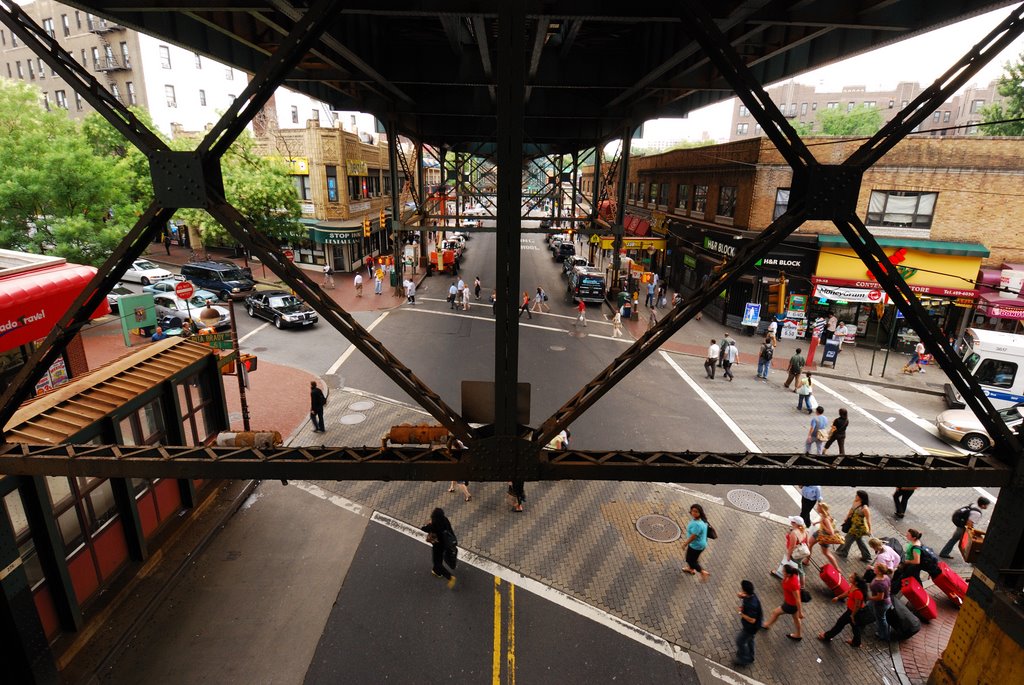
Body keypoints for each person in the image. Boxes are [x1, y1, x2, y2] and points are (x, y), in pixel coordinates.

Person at [818, 571, 867, 648]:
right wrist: (838, 597)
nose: (850, 576)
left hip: (853, 612)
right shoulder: (853, 587)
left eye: (852, 577)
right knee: (855, 627)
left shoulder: (858, 593)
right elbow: (847, 593)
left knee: (840, 624)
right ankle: (857, 642)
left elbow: (857, 606)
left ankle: (827, 636)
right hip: (851, 611)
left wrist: (852, 615)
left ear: (856, 582)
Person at [762, 563, 804, 641]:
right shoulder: (791, 576)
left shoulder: (792, 583)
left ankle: (766, 625)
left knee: (775, 612)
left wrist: (800, 612)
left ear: (788, 574)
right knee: (796, 619)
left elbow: (798, 599)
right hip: (790, 603)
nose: (782, 571)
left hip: (790, 605)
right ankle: (798, 635)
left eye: (783, 571)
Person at [420, 507, 457, 589]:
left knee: (437, 562)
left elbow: (423, 528)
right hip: (445, 544)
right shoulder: (445, 520)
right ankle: (436, 571)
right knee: (438, 559)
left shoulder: (434, 526)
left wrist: (428, 523)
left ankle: (450, 577)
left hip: (437, 546)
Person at [836, 491, 873, 563]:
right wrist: (846, 518)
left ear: (861, 497)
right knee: (859, 541)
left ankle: (842, 552)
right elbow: (851, 510)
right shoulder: (855, 502)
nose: (856, 496)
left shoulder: (865, 508)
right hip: (853, 524)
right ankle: (866, 556)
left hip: (859, 528)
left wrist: (870, 530)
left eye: (857, 495)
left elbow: (868, 520)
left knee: (848, 539)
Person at [735, 579, 763, 667]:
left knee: (739, 641)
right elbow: (747, 597)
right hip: (753, 626)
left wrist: (741, 614)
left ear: (745, 590)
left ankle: (745, 658)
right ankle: (750, 656)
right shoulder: (751, 595)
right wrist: (742, 596)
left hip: (751, 627)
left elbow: (752, 620)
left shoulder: (752, 604)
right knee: (750, 640)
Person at [808, 501, 841, 569]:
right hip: (819, 533)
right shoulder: (824, 515)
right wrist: (816, 523)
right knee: (809, 544)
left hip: (824, 536)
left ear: (821, 509)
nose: (817, 508)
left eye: (818, 507)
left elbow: (831, 532)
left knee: (826, 553)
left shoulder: (826, 519)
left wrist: (823, 526)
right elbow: (821, 520)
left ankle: (837, 568)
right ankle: (807, 560)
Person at [681, 503, 711, 579]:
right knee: (694, 559)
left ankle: (702, 572)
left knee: (689, 560)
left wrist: (685, 544)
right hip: (702, 544)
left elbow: (693, 536)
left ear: (700, 512)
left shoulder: (697, 525)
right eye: (692, 511)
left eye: (696, 511)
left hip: (695, 545)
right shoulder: (703, 520)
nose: (693, 513)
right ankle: (691, 569)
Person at [868, 563, 893, 641]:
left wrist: (869, 597)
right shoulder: (886, 577)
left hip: (881, 604)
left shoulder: (879, 584)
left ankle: (884, 635)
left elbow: (880, 597)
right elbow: (889, 588)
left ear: (879, 572)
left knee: (881, 619)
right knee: (871, 608)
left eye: (875, 568)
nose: (873, 568)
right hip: (886, 600)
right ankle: (878, 623)